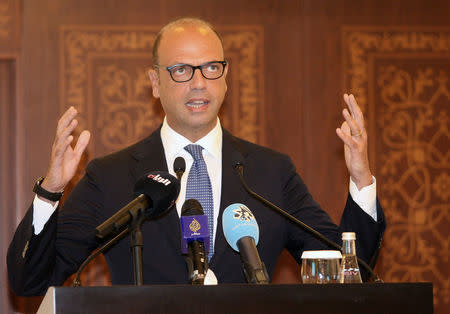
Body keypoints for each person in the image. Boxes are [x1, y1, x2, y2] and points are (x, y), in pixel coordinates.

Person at [7, 18, 385, 296]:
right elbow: (32, 281)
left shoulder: (270, 172)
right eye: (182, 70)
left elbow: (348, 274)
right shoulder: (112, 177)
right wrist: (50, 192)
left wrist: (362, 181)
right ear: (155, 83)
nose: (200, 82)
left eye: (211, 68)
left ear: (226, 78)